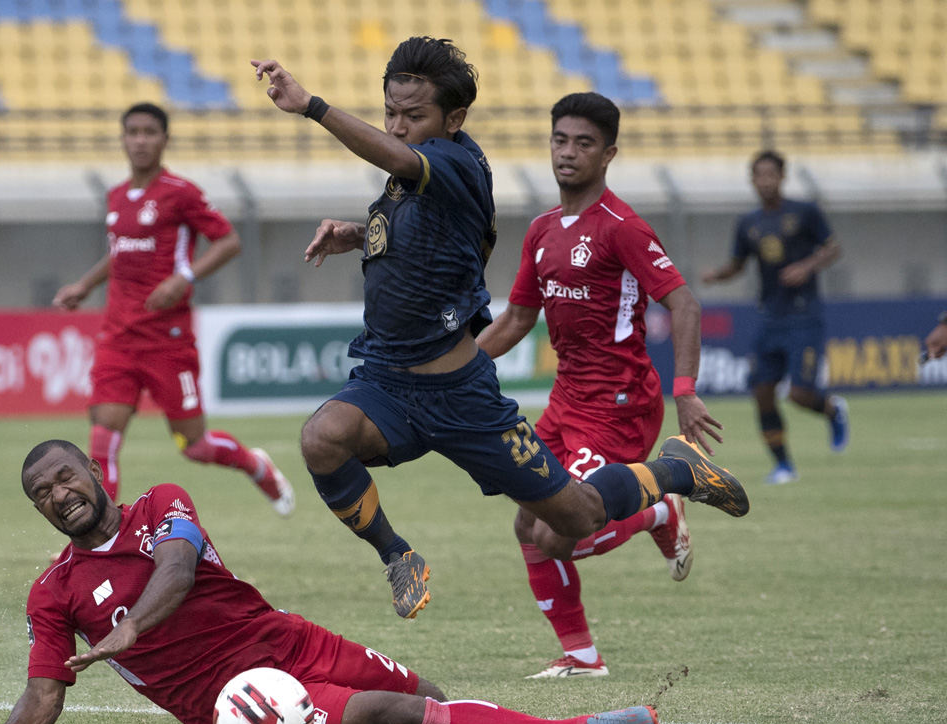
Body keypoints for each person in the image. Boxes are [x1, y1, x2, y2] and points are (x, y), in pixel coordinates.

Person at [252, 37, 748, 620]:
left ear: (454, 118)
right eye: (390, 112)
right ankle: (397, 554)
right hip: (389, 383)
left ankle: (675, 471)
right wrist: (358, 234)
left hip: (464, 399)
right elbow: (426, 239)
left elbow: (402, 162)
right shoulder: (412, 182)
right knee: (322, 438)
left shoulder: (457, 163)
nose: (398, 126)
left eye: (414, 115)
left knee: (573, 521)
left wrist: (312, 105)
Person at [0, 440, 661, 724]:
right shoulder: (54, 593)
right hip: (238, 701)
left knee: (425, 691)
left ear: (93, 472)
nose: (59, 495)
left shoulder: (161, 503)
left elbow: (180, 566)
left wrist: (131, 627)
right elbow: (44, 693)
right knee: (394, 710)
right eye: (42, 494)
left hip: (291, 638)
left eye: (65, 478)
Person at [476, 92, 718, 678]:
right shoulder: (540, 230)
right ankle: (583, 658)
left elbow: (681, 300)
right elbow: (514, 321)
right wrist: (449, 374)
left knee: (562, 531)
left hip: (619, 404)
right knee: (526, 524)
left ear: (608, 154)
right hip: (566, 401)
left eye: (584, 143)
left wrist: (684, 387)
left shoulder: (621, 226)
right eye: (561, 140)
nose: (568, 153)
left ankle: (659, 509)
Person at [53, 102, 294, 514]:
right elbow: (121, 253)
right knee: (102, 441)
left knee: (194, 446)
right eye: (132, 132)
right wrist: (84, 284)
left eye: (149, 132)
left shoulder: (180, 193)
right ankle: (100, 540)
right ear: (123, 138)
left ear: (165, 139)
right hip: (118, 338)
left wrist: (186, 278)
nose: (140, 140)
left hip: (167, 339)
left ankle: (256, 466)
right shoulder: (115, 198)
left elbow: (229, 242)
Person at [702, 150, 848, 485]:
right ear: (752, 180)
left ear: (782, 176)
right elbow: (737, 264)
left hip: (803, 314)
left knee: (799, 394)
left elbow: (833, 248)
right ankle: (784, 466)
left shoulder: (805, 212)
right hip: (769, 316)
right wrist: (716, 275)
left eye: (771, 174)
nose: (765, 181)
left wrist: (806, 266)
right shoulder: (749, 222)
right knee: (762, 392)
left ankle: (833, 410)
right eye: (759, 176)